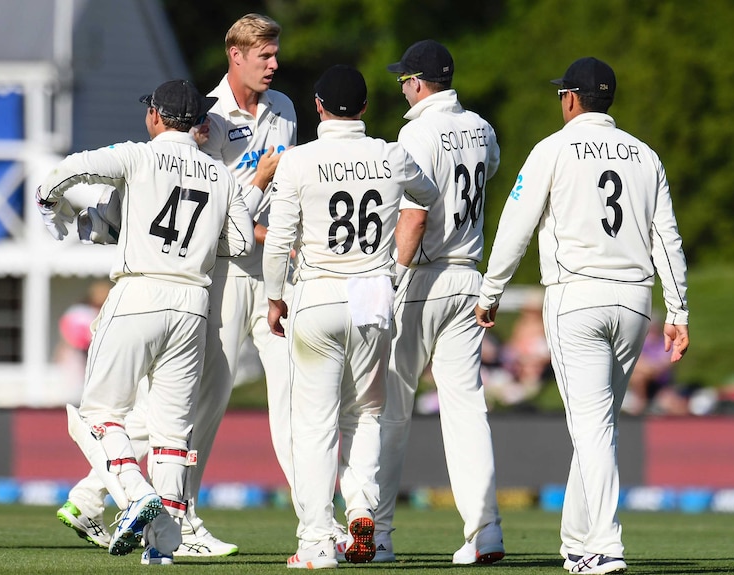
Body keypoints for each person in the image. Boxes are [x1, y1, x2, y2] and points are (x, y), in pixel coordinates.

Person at [54, 13, 300, 558]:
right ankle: (173, 521)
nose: (274, 64)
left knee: (279, 396)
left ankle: (97, 499)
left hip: (267, 268)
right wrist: (256, 189)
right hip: (212, 273)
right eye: (264, 55)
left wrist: (281, 231)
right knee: (198, 404)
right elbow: (207, 200)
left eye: (275, 53)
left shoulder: (283, 110)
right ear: (236, 54)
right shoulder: (204, 116)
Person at [474, 57, 690, 574]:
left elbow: (515, 224)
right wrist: (678, 307)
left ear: (570, 98)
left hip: (578, 297)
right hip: (635, 303)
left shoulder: (553, 148)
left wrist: (491, 290)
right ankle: (576, 540)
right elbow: (668, 238)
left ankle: (604, 546)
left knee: (592, 428)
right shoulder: (645, 155)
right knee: (597, 425)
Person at [37, 78, 254, 565]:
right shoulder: (221, 175)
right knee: (172, 432)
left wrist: (49, 207)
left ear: (156, 116)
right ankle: (164, 547)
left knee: (99, 414)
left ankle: (133, 492)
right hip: (193, 302)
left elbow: (65, 172)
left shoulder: (139, 154)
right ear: (198, 123)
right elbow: (240, 244)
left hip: (139, 291)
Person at [263, 64, 439, 569]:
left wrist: (275, 297)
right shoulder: (390, 154)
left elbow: (277, 242)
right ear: (364, 107)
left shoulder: (299, 161)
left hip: (317, 291)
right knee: (365, 412)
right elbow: (426, 195)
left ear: (318, 107)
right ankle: (362, 510)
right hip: (371, 294)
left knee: (314, 424)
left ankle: (317, 541)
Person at [373, 39, 505, 565]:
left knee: (391, 408)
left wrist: (391, 279)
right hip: (467, 275)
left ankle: (377, 534)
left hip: (423, 276)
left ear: (417, 82)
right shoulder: (480, 125)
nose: (403, 88)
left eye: (404, 79)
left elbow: (415, 214)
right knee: (467, 409)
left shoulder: (417, 130)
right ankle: (486, 530)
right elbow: (486, 171)